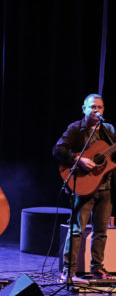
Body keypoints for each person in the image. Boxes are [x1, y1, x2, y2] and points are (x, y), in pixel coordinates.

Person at [53, 93, 115, 281]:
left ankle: (98, 268)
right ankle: (69, 271)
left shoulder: (108, 130)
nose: (97, 110)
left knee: (101, 231)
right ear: (84, 109)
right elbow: (58, 150)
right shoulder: (75, 129)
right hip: (83, 185)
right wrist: (78, 159)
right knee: (77, 229)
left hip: (105, 186)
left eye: (100, 107)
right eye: (93, 107)